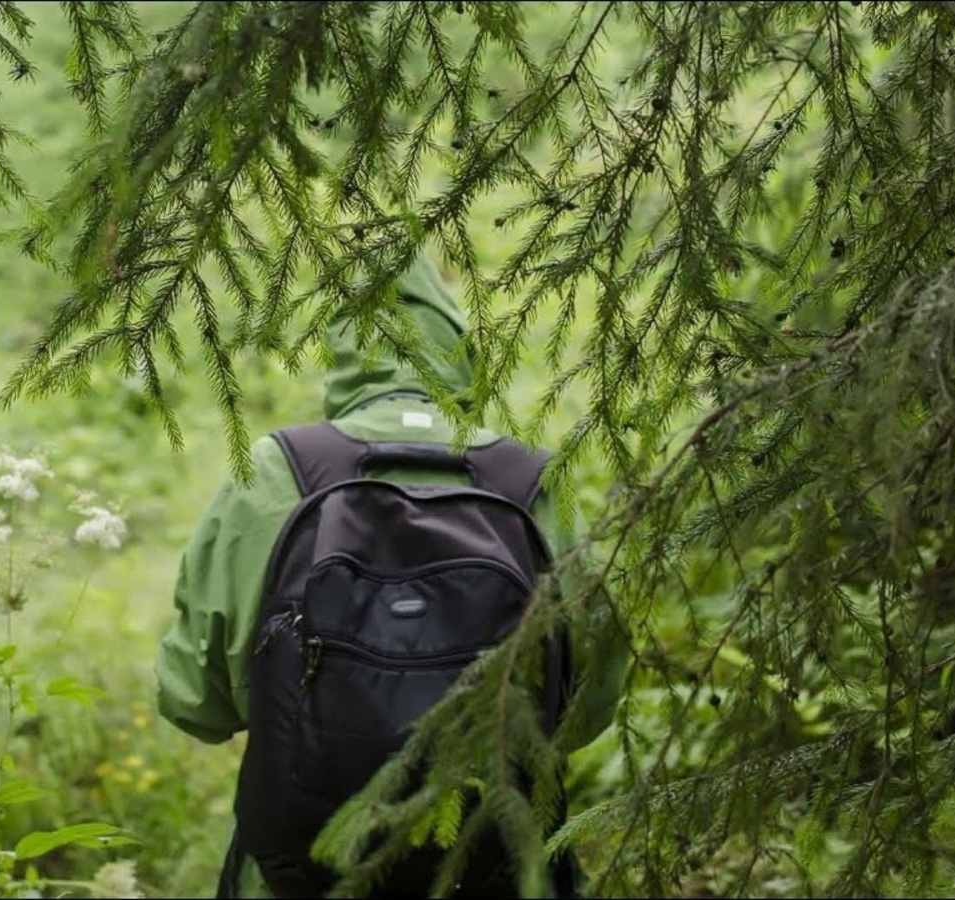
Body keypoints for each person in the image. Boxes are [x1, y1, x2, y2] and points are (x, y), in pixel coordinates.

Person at [154, 250, 629, 898]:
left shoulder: (277, 472)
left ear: (342, 348)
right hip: (499, 867)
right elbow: (591, 700)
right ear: (459, 345)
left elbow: (194, 701)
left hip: (301, 873)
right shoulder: (531, 482)